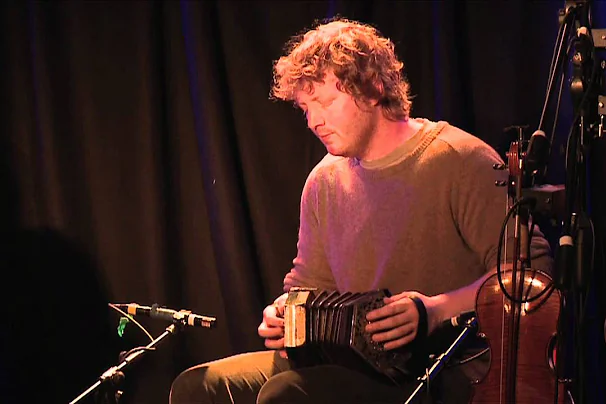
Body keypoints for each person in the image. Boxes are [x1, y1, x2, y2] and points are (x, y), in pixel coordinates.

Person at [169, 17, 553, 404]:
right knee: (199, 387)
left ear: (372, 88)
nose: (313, 121)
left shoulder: (458, 159)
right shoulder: (323, 182)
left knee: (286, 395)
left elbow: (531, 270)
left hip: (444, 370)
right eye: (305, 108)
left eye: (325, 102)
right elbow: (308, 287)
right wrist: (284, 315)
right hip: (354, 365)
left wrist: (435, 310)